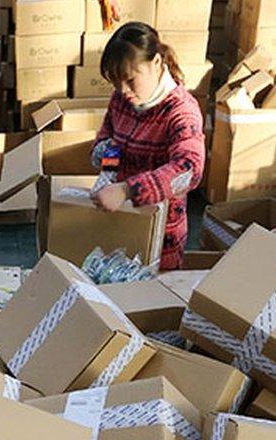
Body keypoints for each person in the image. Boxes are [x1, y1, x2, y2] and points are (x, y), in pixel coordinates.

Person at [90, 22, 206, 270]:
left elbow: (189, 170)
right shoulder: (121, 100)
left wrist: (127, 190)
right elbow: (108, 140)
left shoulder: (180, 112)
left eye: (130, 80)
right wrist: (107, 166)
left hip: (160, 234)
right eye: (115, 82)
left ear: (155, 63)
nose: (123, 90)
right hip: (120, 221)